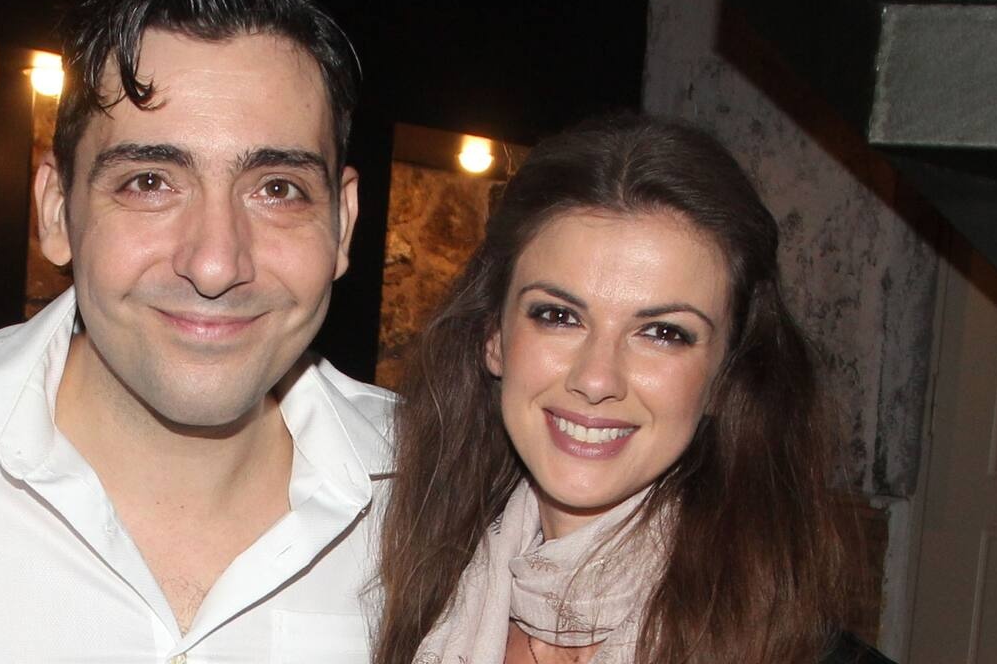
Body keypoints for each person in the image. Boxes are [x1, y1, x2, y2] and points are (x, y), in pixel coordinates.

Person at [0, 0, 392, 662]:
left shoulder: (441, 494)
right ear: (57, 209)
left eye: (277, 190)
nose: (215, 263)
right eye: (149, 182)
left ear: (343, 224)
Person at [375, 115, 894, 664]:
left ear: (726, 376)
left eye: (663, 333)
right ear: (494, 337)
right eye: (558, 315)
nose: (596, 379)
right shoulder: (408, 602)